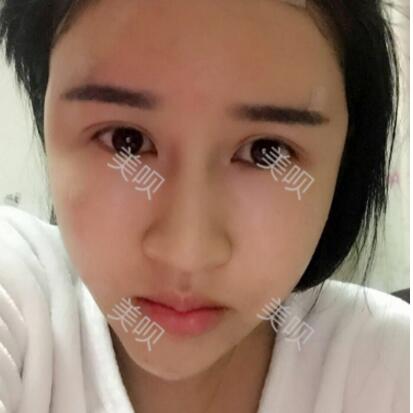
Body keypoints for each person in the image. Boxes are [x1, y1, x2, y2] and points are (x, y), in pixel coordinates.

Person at [0, 0, 409, 412]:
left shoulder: (388, 368)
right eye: (126, 140)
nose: (187, 253)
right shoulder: (19, 299)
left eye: (266, 150)